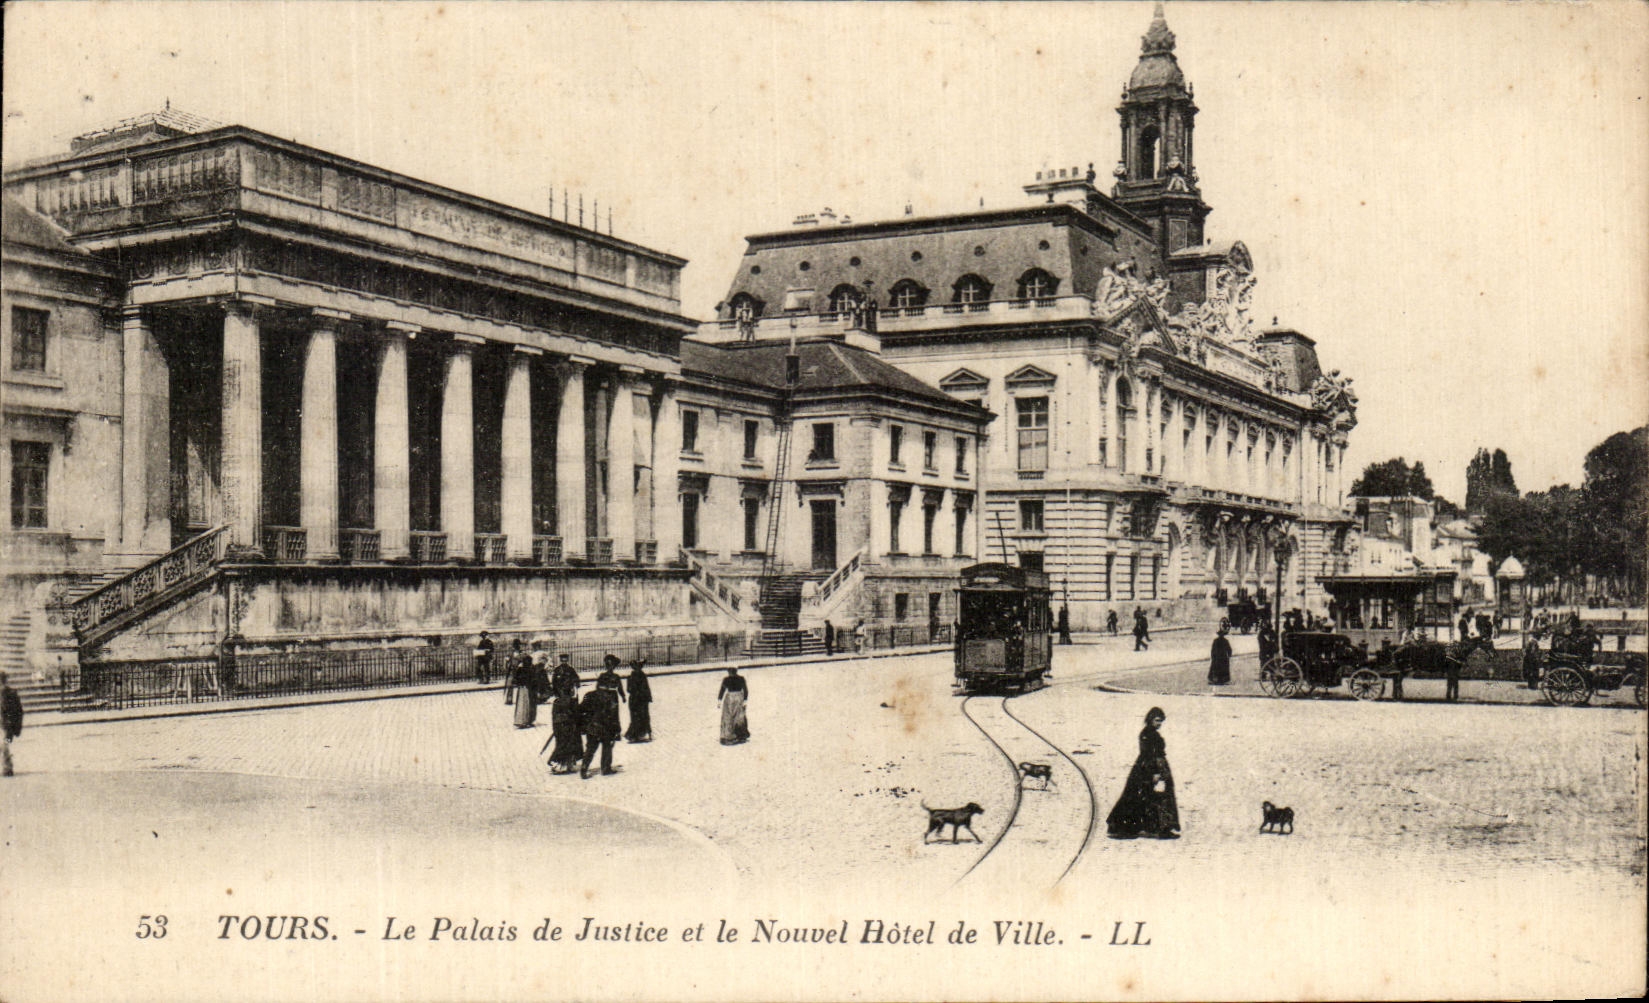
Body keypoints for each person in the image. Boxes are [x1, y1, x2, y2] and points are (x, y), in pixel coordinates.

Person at [1105, 707, 1180, 839]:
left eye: (1161, 721)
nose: (1159, 724)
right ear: (1150, 719)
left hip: (1154, 767)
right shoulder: (1147, 734)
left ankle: (1157, 826)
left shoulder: (1151, 733)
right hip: (1149, 769)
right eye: (1157, 720)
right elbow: (1148, 755)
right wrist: (1155, 773)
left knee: (1149, 796)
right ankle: (1160, 828)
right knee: (1155, 797)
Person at [579, 678, 622, 778]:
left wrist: (584, 724)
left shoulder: (589, 695)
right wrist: (617, 729)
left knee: (590, 749)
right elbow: (614, 714)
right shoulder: (611, 697)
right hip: (606, 728)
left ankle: (584, 769)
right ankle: (605, 768)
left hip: (592, 727)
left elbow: (581, 709)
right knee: (607, 747)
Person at [542, 678, 584, 775]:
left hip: (559, 725)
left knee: (562, 743)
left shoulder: (557, 701)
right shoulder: (570, 701)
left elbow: (554, 716)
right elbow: (575, 712)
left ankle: (564, 765)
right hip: (567, 726)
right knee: (565, 745)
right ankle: (556, 762)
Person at [507, 641, 537, 728]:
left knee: (524, 703)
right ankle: (525, 720)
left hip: (524, 687)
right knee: (525, 704)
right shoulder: (528, 667)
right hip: (525, 687)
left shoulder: (524, 667)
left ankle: (524, 720)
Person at [718, 667, 750, 745]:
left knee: (729, 716)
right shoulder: (741, 678)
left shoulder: (726, 679)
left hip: (730, 699)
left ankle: (729, 736)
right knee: (739, 716)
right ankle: (741, 735)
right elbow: (745, 690)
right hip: (739, 698)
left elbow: (722, 690)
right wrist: (745, 700)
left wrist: (719, 700)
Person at [624, 658, 653, 743]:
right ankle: (636, 734)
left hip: (638, 699)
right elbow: (629, 689)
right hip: (638, 699)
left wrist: (648, 697)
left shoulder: (638, 676)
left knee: (640, 716)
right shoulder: (635, 677)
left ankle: (640, 734)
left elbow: (646, 688)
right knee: (638, 717)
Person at [1, 671, 23, 777]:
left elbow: (18, 711)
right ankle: (7, 766)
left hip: (6, 726)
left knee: (5, 744)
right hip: (4, 725)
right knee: (4, 745)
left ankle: (7, 768)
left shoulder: (11, 693)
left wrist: (16, 727)